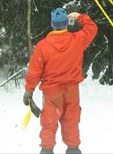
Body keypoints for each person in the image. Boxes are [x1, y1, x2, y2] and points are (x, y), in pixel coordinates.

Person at [23, 8, 98, 154]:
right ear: (66, 24)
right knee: (71, 120)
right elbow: (92, 28)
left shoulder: (43, 46)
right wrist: (79, 16)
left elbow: (35, 71)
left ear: (52, 24)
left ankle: (46, 150)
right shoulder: (77, 40)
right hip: (71, 90)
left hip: (52, 91)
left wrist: (29, 90)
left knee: (49, 122)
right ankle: (73, 149)